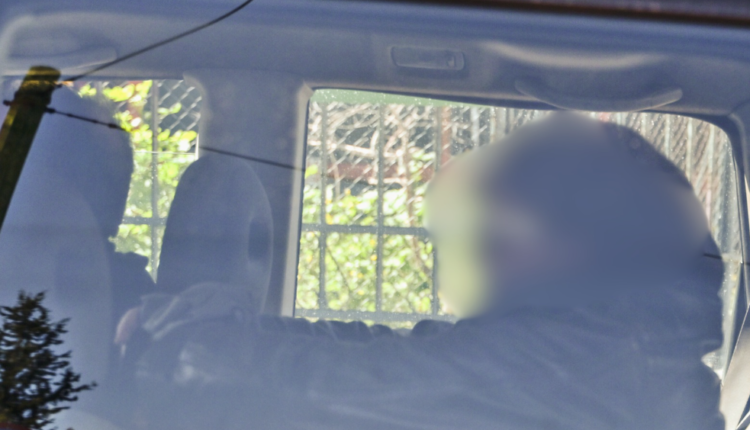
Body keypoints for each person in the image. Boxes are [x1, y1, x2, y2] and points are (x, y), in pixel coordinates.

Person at [132, 113, 724, 430]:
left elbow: (359, 385)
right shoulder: (610, 340)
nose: (484, 246)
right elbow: (406, 353)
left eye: (508, 226)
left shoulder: (575, 361)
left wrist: (179, 349)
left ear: (583, 244)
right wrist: (247, 325)